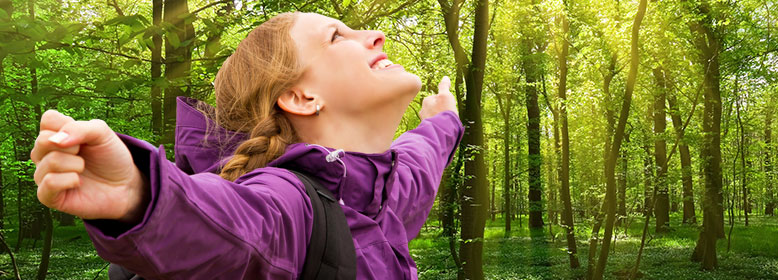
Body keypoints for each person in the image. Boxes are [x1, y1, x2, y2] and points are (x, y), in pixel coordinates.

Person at [29, 12, 462, 279]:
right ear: (300, 97)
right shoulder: (289, 204)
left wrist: (443, 119)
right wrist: (141, 196)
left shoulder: (382, 196)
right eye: (337, 36)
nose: (375, 35)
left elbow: (420, 160)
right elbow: (235, 226)